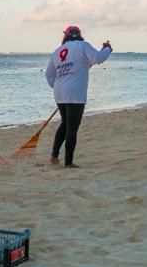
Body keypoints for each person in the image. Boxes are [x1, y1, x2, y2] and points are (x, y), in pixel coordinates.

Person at [45, 26, 112, 168]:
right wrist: (107, 49)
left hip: (59, 92)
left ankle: (54, 156)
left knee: (64, 124)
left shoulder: (57, 51)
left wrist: (59, 87)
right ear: (79, 35)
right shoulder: (83, 45)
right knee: (72, 128)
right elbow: (98, 58)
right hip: (75, 92)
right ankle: (68, 163)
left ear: (66, 36)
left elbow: (49, 75)